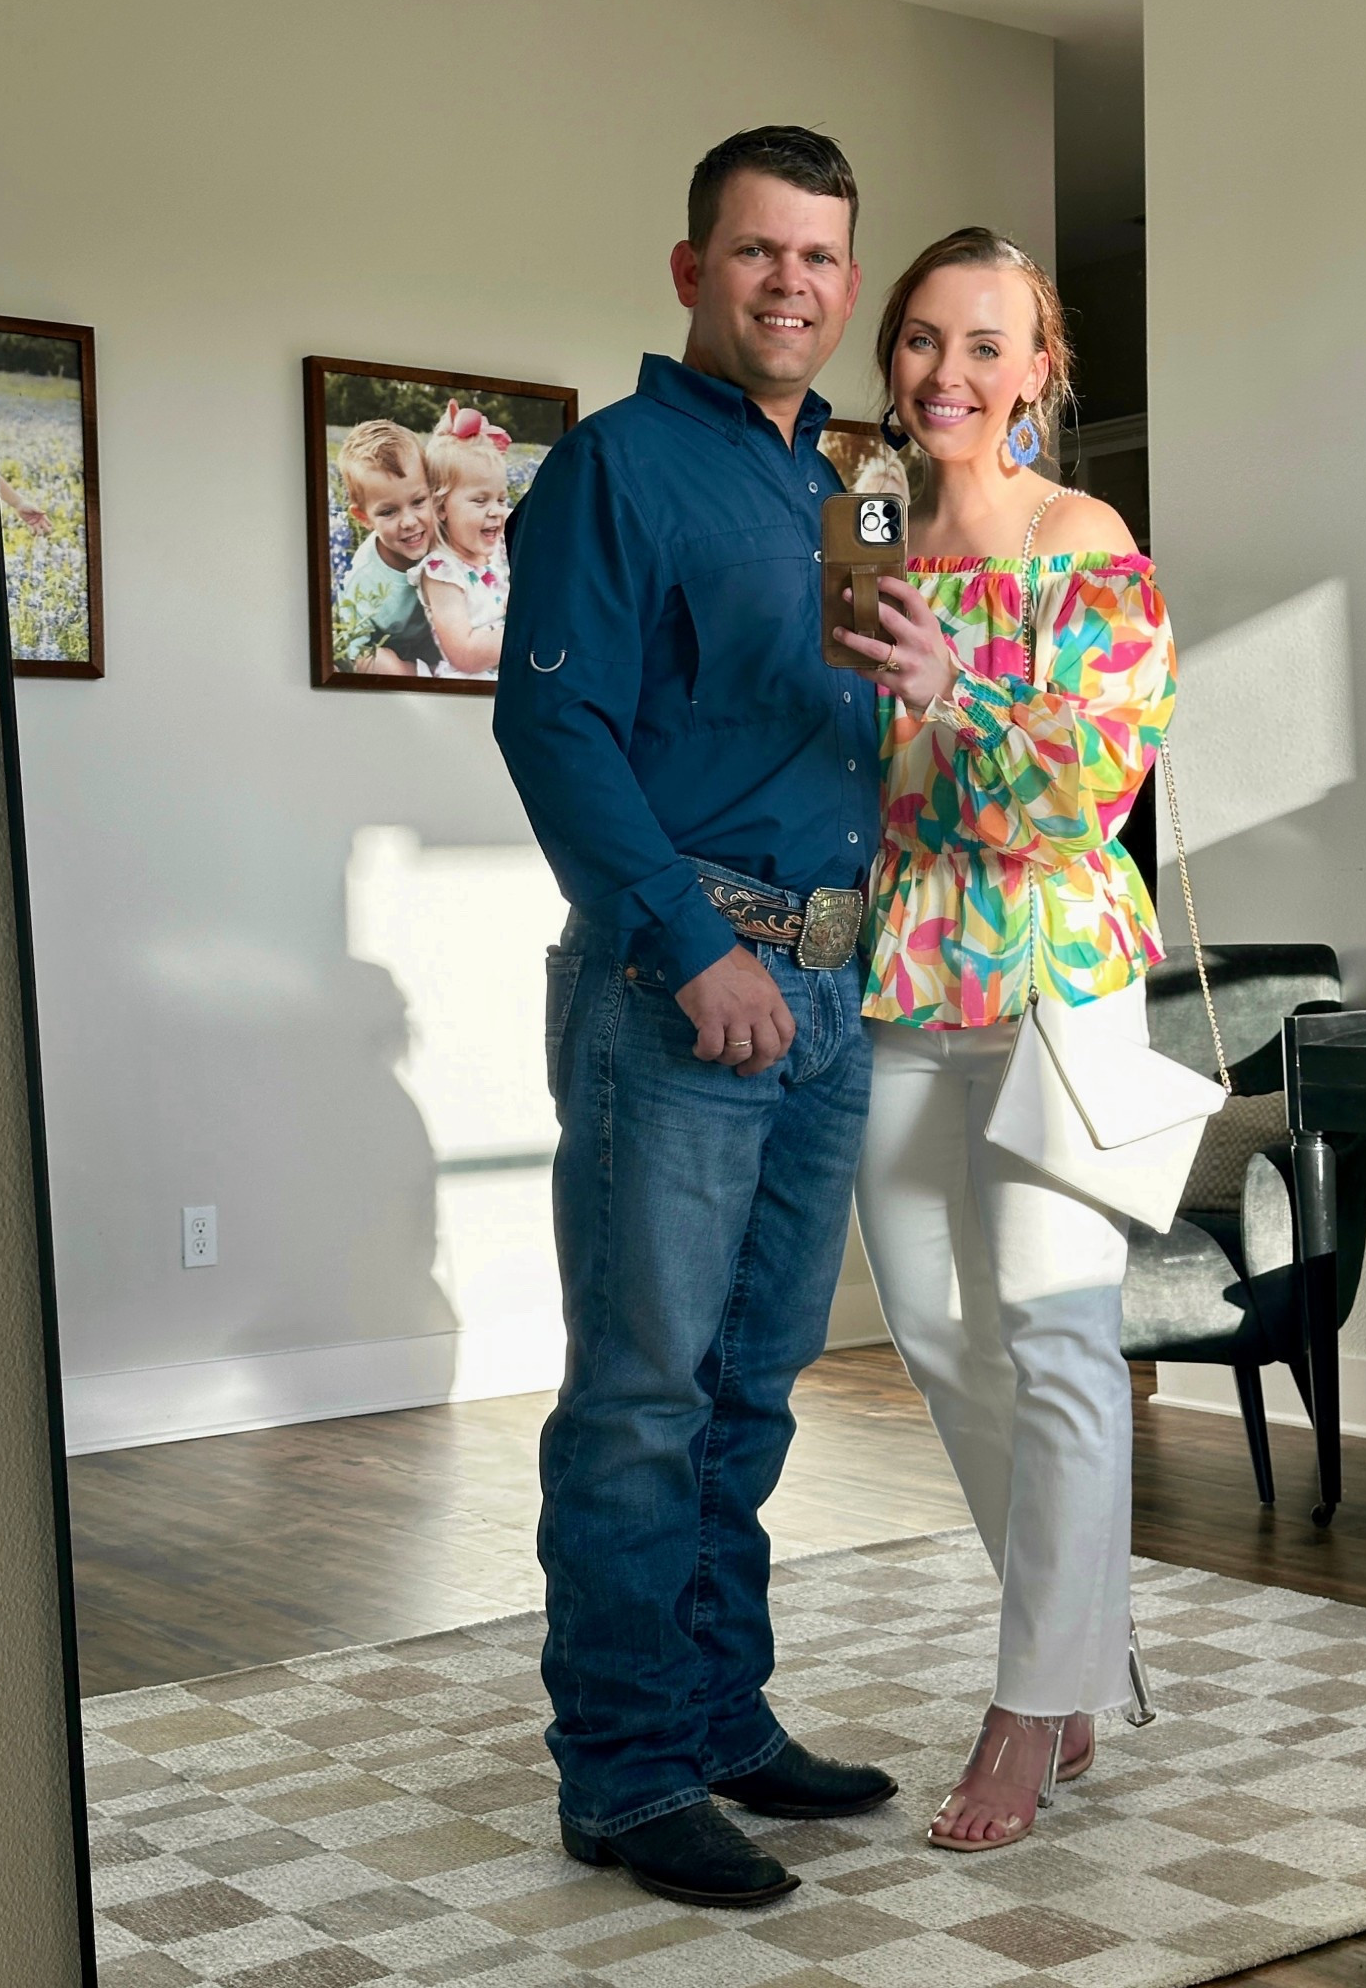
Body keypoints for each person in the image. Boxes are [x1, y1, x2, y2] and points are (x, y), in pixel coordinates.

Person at [494, 127, 894, 1910]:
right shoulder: (611, 468)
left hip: (831, 983)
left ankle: (722, 1717)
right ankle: (629, 1768)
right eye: (757, 252)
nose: (790, 283)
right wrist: (687, 944)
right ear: (691, 270)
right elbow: (551, 729)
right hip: (683, 989)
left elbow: (877, 721)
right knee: (644, 1396)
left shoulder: (861, 480)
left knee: (756, 1380)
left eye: (819, 257)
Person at [836, 227, 1174, 1851]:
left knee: (1053, 1338)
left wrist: (948, 682)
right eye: (919, 340)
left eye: (984, 345)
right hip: (902, 971)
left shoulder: (1081, 533)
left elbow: (1091, 786)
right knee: (933, 1333)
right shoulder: (865, 537)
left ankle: (1030, 1699)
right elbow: (844, 776)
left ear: (1039, 368)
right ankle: (1082, 1638)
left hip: (1052, 976)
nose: (946, 375)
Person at [410, 402, 510, 679]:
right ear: (441, 507)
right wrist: (527, 633)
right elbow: (463, 653)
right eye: (480, 500)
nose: (495, 510)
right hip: (471, 684)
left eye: (501, 499)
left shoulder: (500, 550)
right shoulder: (442, 570)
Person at [333, 420, 439, 676]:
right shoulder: (363, 576)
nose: (409, 522)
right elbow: (352, 645)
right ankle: (426, 674)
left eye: (418, 501)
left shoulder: (446, 538)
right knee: (378, 663)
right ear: (364, 518)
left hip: (439, 636)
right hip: (391, 645)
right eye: (389, 512)